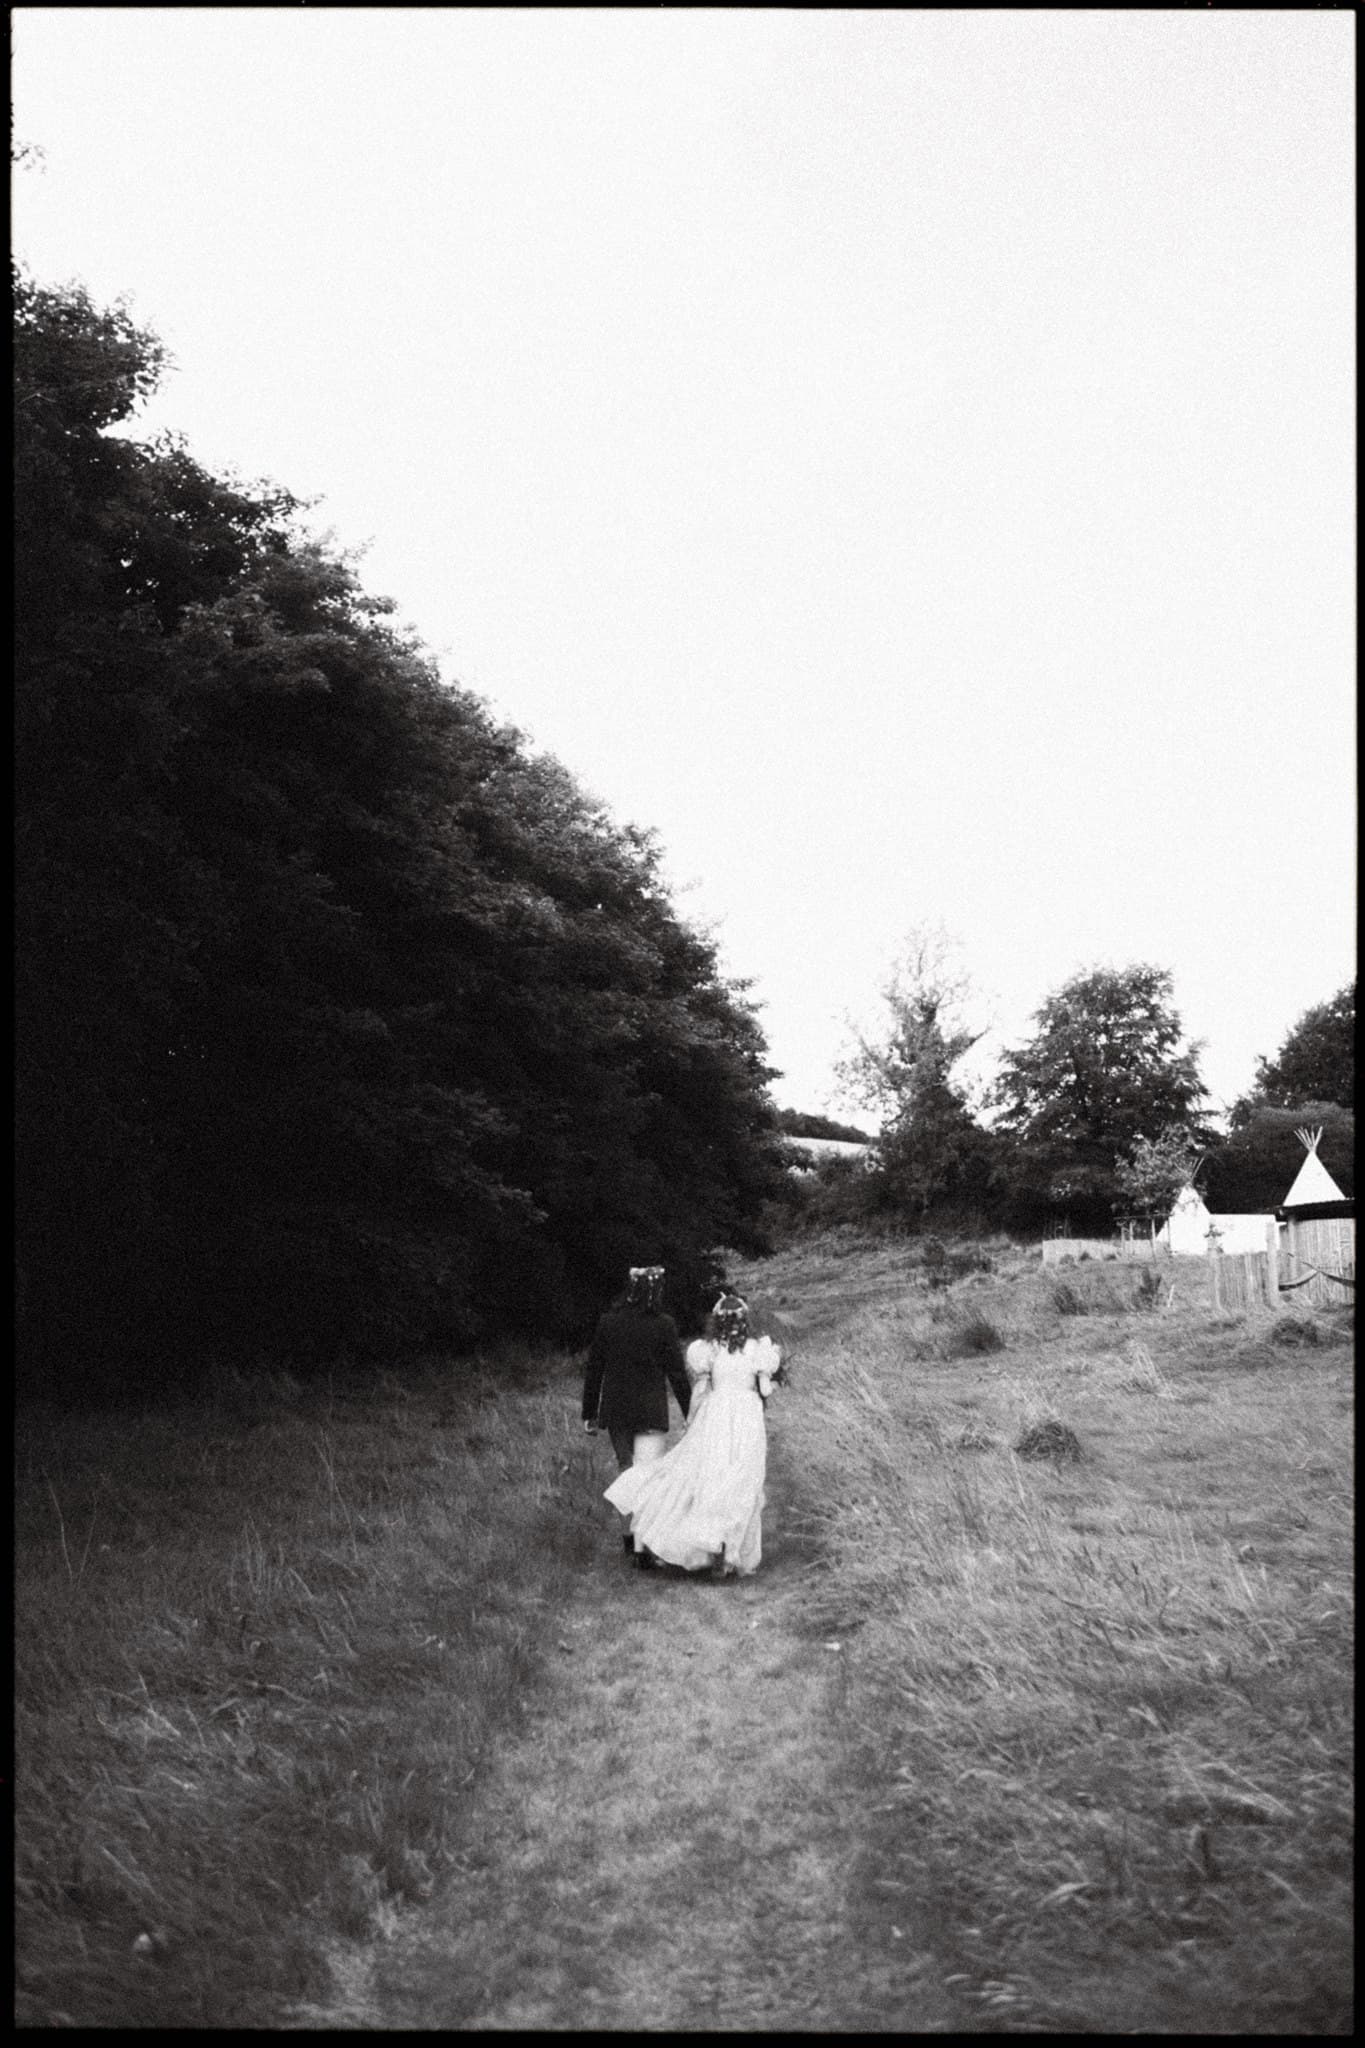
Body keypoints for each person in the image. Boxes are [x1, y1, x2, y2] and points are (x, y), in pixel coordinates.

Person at [603, 1292, 782, 1579]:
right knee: (742, 1479)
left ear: (717, 1322)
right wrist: (766, 1383)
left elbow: (701, 1392)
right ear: (744, 1321)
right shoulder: (758, 1350)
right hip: (745, 1417)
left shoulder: (709, 1351)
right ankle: (729, 1551)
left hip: (716, 1416)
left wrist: (691, 1422)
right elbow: (764, 1390)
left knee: (711, 1477)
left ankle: (716, 1548)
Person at [582, 1265, 691, 1568]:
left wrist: (589, 1411)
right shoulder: (664, 1324)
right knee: (649, 1472)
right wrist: (691, 1411)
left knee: (627, 1470)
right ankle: (643, 1547)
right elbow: (677, 1374)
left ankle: (631, 1539)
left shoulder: (608, 1322)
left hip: (617, 1409)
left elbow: (595, 1369)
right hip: (650, 1408)